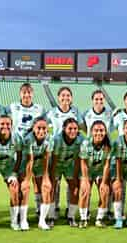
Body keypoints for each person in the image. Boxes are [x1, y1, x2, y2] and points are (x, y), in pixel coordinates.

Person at [46, 86, 84, 219]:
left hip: (71, 153)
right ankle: (52, 211)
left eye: (68, 95)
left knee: (73, 184)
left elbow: (82, 127)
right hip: (57, 149)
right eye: (63, 95)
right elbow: (43, 126)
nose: (65, 98)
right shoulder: (52, 112)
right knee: (53, 184)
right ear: (58, 98)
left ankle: (70, 212)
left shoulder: (76, 111)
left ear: (71, 98)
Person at [20, 116, 53, 230]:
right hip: (25, 166)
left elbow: (46, 158)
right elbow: (30, 160)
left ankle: (42, 220)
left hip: (39, 165)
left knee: (45, 188)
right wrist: (27, 180)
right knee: (25, 189)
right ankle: (23, 220)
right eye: (39, 128)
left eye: (44, 128)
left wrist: (46, 177)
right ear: (33, 128)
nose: (41, 131)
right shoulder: (28, 139)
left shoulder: (49, 139)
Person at [49, 118, 83, 227]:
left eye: (75, 129)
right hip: (56, 165)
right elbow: (54, 160)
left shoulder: (80, 139)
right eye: (70, 129)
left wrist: (75, 175)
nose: (73, 131)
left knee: (75, 188)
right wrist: (53, 178)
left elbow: (78, 159)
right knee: (52, 188)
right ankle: (51, 216)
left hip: (69, 165)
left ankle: (71, 216)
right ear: (64, 129)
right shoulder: (57, 140)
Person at [78, 120, 111, 228]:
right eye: (96, 130)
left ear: (105, 132)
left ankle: (99, 218)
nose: (99, 133)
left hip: (100, 172)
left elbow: (106, 165)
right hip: (87, 171)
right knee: (84, 190)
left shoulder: (108, 146)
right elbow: (83, 164)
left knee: (104, 191)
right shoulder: (86, 143)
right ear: (91, 132)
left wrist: (104, 182)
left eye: (101, 130)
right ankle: (83, 218)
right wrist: (86, 180)